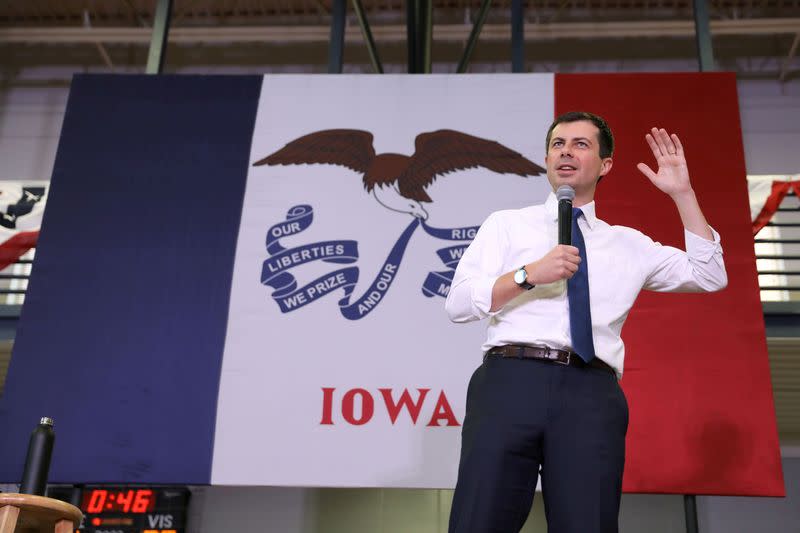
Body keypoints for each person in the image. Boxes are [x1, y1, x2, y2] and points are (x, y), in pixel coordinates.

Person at [444, 111, 727, 533]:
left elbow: (709, 275)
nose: (566, 152)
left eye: (581, 144)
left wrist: (683, 195)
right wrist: (527, 275)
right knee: (479, 520)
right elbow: (460, 304)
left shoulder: (627, 243)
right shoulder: (506, 225)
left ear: (605, 164)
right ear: (546, 159)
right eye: (558, 144)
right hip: (508, 381)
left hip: (590, 393)